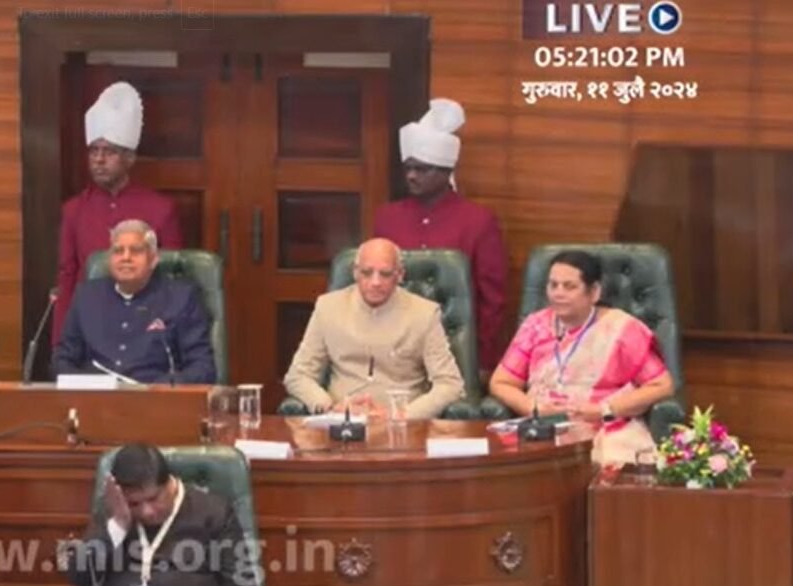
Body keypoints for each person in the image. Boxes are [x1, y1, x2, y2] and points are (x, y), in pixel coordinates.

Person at [489, 250, 674, 465]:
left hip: (605, 429)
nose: (558, 293)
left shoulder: (621, 330)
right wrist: (533, 408)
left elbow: (662, 385)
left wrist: (604, 410)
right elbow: (501, 382)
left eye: (569, 286)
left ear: (594, 292)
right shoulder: (535, 325)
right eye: (553, 285)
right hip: (543, 429)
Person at [374, 98, 508, 380]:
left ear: (446, 171)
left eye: (422, 169)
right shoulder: (387, 217)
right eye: (408, 168)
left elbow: (492, 300)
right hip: (394, 347)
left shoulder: (478, 220)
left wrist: (483, 360)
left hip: (456, 350)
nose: (412, 176)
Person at [53, 81, 184, 346]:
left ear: (129, 158)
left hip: (145, 330)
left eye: (109, 151)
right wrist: (61, 343)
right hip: (90, 328)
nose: (99, 160)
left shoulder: (161, 209)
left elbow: (173, 278)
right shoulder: (74, 210)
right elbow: (67, 277)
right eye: (94, 151)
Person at [282, 238, 464, 418]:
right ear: (355, 272)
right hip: (341, 421)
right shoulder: (328, 307)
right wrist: (330, 407)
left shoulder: (425, 314)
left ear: (400, 274)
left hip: (401, 425)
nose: (375, 282)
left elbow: (450, 384)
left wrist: (402, 415)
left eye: (385, 274)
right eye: (367, 273)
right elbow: (298, 375)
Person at [58, 443, 261, 586]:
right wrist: (118, 525)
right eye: (135, 503)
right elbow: (80, 578)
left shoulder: (214, 513)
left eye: (154, 498)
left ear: (170, 483)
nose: (147, 512)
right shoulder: (114, 509)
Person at [53, 219, 215, 384]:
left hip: (153, 395)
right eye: (118, 251)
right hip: (95, 395)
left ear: (153, 259)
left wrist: (162, 387)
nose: (126, 257)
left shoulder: (181, 298)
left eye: (136, 251)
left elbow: (203, 367)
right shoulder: (86, 297)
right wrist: (83, 385)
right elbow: (63, 358)